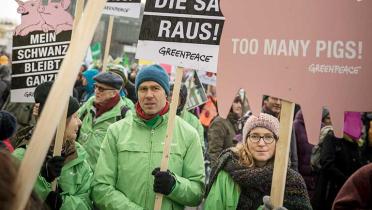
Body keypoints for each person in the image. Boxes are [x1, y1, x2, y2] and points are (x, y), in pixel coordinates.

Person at [92, 64, 205, 210]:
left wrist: (174, 186)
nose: (149, 95)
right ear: (137, 92)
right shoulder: (116, 131)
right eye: (143, 89)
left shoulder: (188, 134)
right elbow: (100, 187)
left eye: (155, 88)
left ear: (166, 93)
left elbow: (197, 193)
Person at [204, 113, 312, 210]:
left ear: (277, 143)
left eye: (268, 137)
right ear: (246, 141)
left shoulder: (290, 180)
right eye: (255, 136)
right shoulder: (227, 174)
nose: (261, 143)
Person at [12, 81, 93, 210]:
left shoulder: (78, 153)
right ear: (59, 122)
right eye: (74, 117)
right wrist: (44, 184)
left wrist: (62, 204)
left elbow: (88, 202)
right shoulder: (20, 158)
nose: (80, 122)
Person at [77, 72, 130, 169]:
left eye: (101, 89)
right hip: (80, 169)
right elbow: (75, 120)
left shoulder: (124, 114)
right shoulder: (90, 102)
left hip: (101, 174)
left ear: (114, 93)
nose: (96, 91)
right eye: (95, 86)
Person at [313, 112, 365, 210]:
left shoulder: (354, 143)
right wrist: (347, 181)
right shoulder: (332, 137)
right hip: (330, 193)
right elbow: (327, 163)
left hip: (348, 194)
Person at [262, 95, 299, 171]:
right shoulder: (256, 120)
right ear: (265, 100)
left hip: (285, 173)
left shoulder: (287, 123)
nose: (278, 102)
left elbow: (293, 156)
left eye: (281, 99)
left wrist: (295, 175)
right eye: (274, 98)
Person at [208, 95, 243, 168]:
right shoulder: (219, 122)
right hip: (223, 170)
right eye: (236, 102)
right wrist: (217, 173)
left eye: (240, 102)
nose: (239, 105)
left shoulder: (234, 122)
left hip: (233, 169)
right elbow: (214, 152)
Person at [170, 84, 205, 153]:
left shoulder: (193, 121)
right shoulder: (159, 116)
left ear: (182, 99)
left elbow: (199, 147)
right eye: (170, 95)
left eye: (176, 95)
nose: (172, 98)